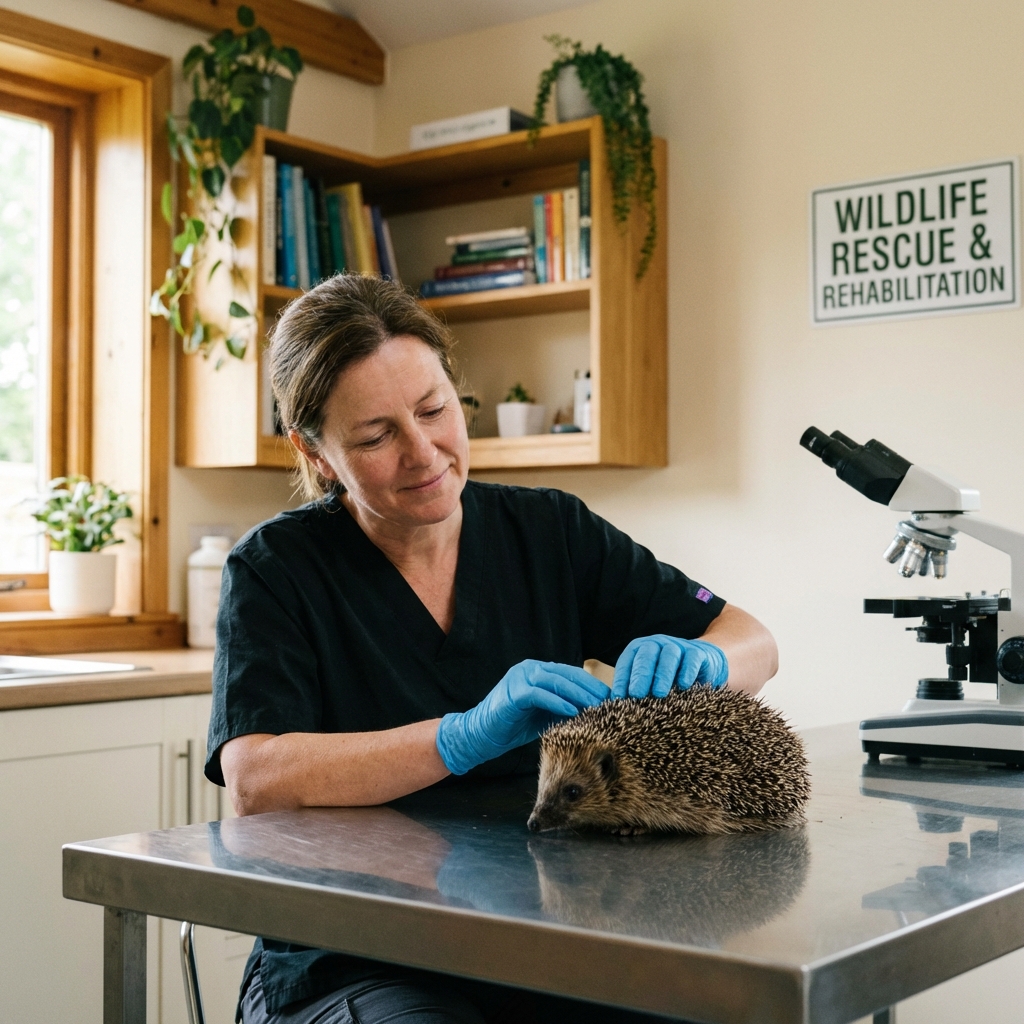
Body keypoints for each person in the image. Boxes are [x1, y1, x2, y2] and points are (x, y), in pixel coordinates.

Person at [205, 274, 779, 1024]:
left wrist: (711, 662)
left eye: (434, 410)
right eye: (376, 437)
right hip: (356, 953)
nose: (423, 453)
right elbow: (256, 779)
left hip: (544, 934)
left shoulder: (550, 534)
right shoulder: (276, 570)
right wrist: (460, 736)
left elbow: (753, 640)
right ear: (316, 452)